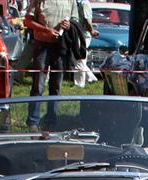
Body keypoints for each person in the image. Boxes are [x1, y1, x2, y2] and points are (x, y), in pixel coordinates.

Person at [24, 0, 96, 129]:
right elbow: (27, 21)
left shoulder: (71, 1)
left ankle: (51, 120)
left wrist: (69, 25)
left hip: (61, 47)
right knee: (38, 85)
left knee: (56, 86)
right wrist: (46, 30)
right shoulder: (38, 1)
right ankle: (33, 121)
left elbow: (75, 20)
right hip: (42, 46)